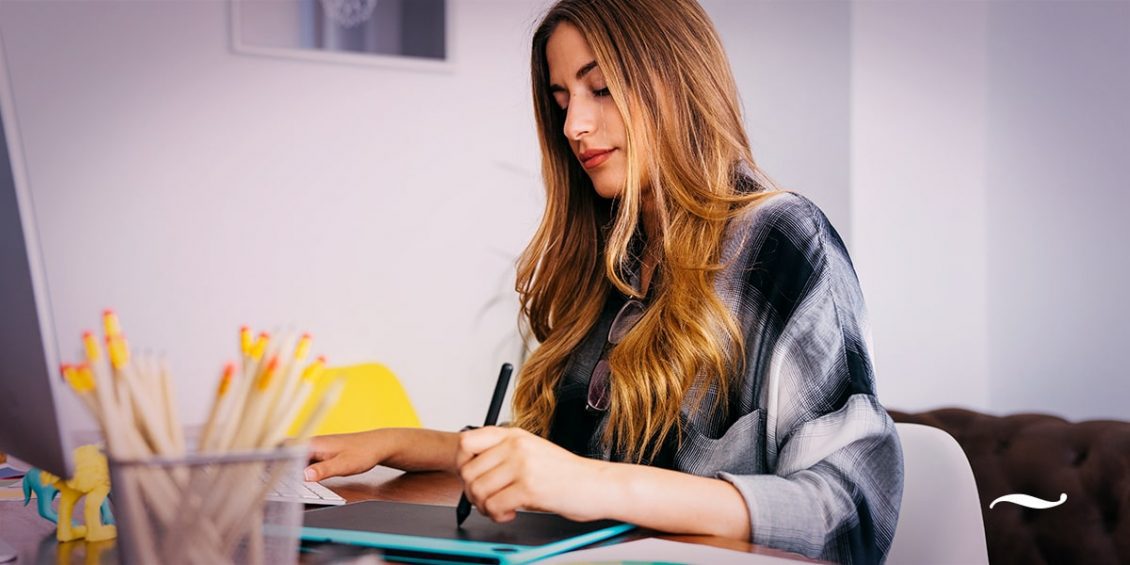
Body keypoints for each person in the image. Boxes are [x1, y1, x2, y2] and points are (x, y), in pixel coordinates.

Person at [305, 0, 903, 562]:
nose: (573, 125)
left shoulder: (780, 240)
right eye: (563, 98)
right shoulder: (617, 257)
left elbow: (850, 510)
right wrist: (398, 443)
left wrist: (590, 484)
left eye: (602, 88)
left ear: (677, 81)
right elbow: (564, 462)